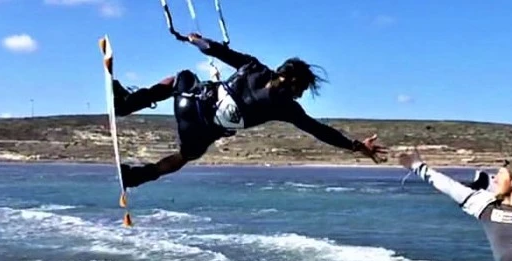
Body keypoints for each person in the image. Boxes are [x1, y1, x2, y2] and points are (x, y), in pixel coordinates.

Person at [111, 33, 387, 188]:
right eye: (301, 88)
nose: (301, 94)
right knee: (184, 156)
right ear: (291, 80)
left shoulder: (253, 66)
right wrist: (355, 147)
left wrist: (196, 40)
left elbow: (217, 51)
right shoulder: (287, 108)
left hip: (191, 105)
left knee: (177, 79)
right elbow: (320, 130)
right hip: (201, 130)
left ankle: (126, 105)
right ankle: (136, 177)